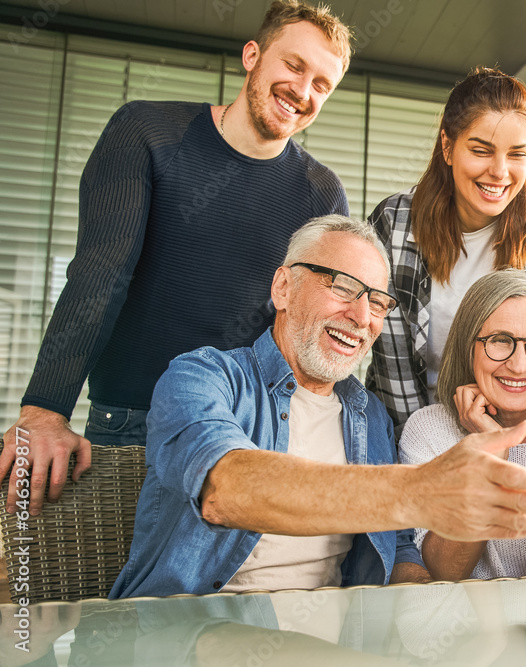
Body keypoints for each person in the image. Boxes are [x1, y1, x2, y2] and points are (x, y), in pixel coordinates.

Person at [2, 0, 353, 516]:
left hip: (248, 432)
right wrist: (45, 409)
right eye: (294, 66)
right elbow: (102, 272)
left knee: (236, 599)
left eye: (322, 84)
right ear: (252, 55)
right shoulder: (146, 132)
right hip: (130, 424)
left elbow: (311, 325)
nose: (303, 91)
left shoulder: (321, 193)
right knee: (115, 597)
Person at [110, 216, 526, 598]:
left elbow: (401, 552)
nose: (361, 317)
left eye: (378, 302)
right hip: (191, 630)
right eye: (341, 286)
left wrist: (421, 621)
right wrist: (422, 491)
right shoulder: (202, 376)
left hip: (331, 636)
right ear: (283, 288)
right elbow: (225, 488)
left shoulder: (370, 416)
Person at [366, 66, 526, 433]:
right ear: (447, 147)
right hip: (417, 427)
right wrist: (436, 441)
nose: (500, 172)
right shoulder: (394, 222)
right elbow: (394, 369)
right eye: (481, 150)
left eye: (517, 154)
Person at [399, 269, 526, 580]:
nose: (519, 365)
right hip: (475, 626)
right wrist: (490, 453)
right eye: (500, 341)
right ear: (468, 344)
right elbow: (445, 571)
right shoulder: (429, 430)